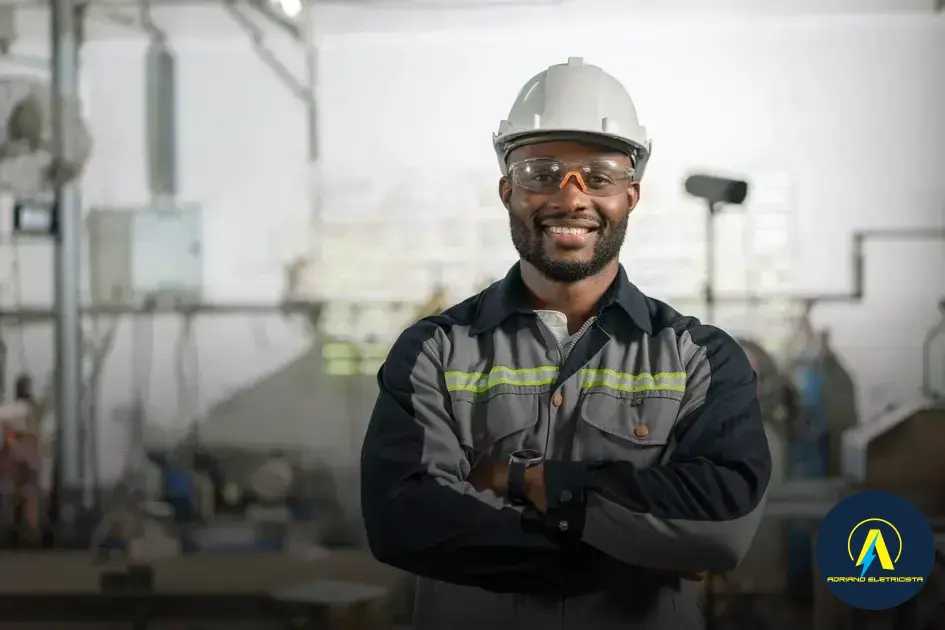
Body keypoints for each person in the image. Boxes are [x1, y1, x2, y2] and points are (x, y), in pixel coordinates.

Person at [360, 57, 772, 630]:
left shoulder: (700, 359)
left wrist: (523, 480)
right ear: (507, 189)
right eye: (541, 173)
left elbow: (720, 527)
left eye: (598, 177)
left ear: (631, 195)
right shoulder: (434, 351)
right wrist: (638, 553)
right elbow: (403, 521)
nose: (571, 198)